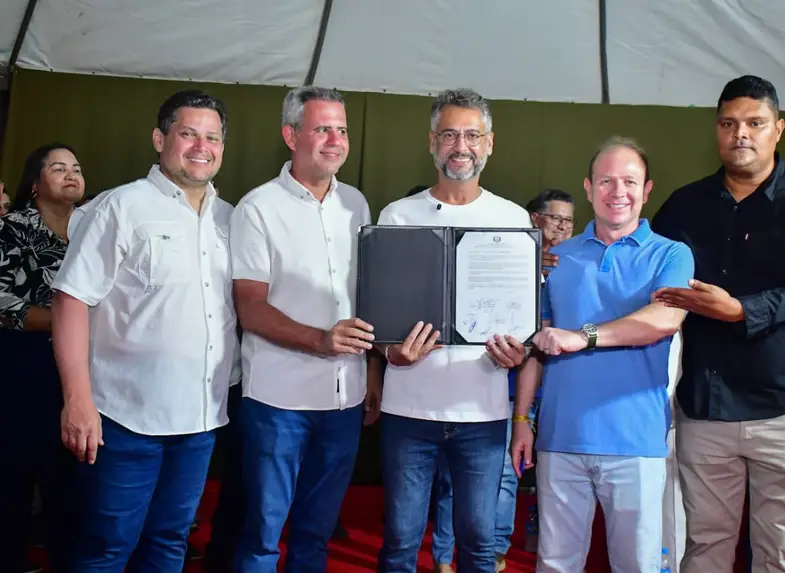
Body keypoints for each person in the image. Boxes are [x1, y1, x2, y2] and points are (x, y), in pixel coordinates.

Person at [651, 75, 785, 572]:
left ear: (778, 129)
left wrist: (742, 310)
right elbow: (649, 273)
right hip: (707, 407)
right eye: (728, 123)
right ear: (716, 130)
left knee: (780, 558)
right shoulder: (684, 205)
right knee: (704, 550)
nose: (740, 133)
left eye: (755, 123)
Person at [51, 89, 238, 572]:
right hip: (123, 419)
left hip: (200, 420)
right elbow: (71, 300)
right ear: (160, 139)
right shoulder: (121, 207)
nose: (201, 147)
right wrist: (77, 400)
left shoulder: (230, 219)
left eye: (212, 137)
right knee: (105, 548)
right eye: (188, 134)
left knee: (170, 542)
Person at [511, 138, 694, 572]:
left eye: (629, 181)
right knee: (555, 564)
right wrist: (521, 420)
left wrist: (583, 336)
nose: (618, 191)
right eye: (607, 181)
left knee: (637, 565)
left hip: (636, 441)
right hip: (560, 438)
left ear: (646, 190)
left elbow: (663, 319)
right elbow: (537, 344)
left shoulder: (672, 254)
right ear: (589, 188)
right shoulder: (557, 258)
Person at [376, 88, 529, 573]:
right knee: (400, 542)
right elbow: (378, 319)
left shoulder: (514, 220)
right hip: (408, 409)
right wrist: (391, 353)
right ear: (431, 143)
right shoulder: (397, 216)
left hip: (481, 412)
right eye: (448, 135)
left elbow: (522, 324)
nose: (460, 146)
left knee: (479, 542)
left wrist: (518, 352)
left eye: (471, 135)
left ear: (490, 143)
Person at [230, 86, 376, 573]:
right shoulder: (257, 208)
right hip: (279, 402)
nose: (336, 140)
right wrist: (320, 340)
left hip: (345, 399)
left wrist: (373, 372)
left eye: (342, 130)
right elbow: (250, 308)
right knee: (262, 537)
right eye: (322, 129)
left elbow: (369, 298)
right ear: (291, 136)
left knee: (316, 536)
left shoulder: (356, 204)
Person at [431, 188, 575, 571]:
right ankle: (444, 556)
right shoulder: (499, 259)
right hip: (480, 384)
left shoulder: (571, 270)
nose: (562, 228)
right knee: (455, 478)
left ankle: (495, 551)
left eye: (569, 222)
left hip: (530, 393)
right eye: (555, 219)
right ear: (534, 220)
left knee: (509, 476)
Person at [0, 143, 85, 573]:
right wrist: (65, 322)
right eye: (58, 168)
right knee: (14, 474)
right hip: (23, 364)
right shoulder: (12, 227)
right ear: (35, 183)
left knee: (68, 478)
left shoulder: (94, 228)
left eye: (76, 168)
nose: (71, 175)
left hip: (81, 369)